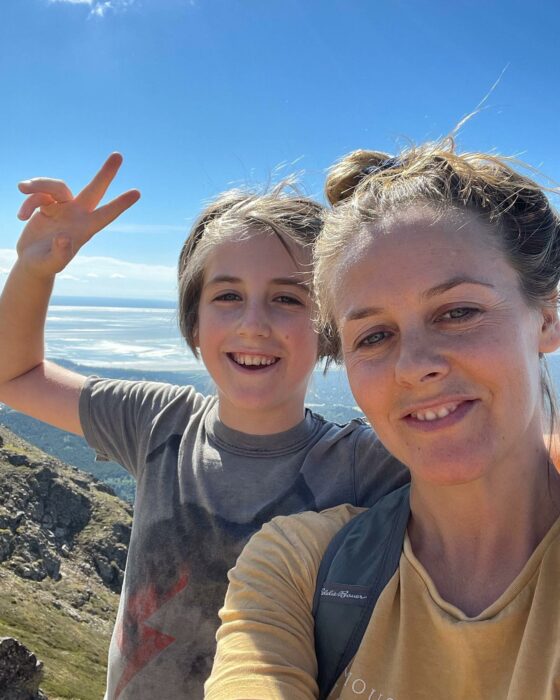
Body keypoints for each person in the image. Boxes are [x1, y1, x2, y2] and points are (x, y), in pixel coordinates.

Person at [0, 154, 408, 699]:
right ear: (194, 323)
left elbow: (518, 469)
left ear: (328, 326)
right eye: (227, 296)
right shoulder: (156, 421)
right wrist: (34, 267)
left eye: (287, 298)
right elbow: (14, 375)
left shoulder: (366, 463)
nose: (253, 323)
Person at [205, 139, 560, 699]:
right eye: (373, 336)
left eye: (458, 312)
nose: (415, 366)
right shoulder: (295, 567)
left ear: (547, 317)